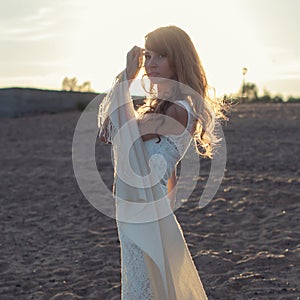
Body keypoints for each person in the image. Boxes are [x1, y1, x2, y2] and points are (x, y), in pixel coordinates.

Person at [98, 25, 226, 300]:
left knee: (147, 286)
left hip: (145, 209)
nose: (151, 64)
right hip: (142, 208)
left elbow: (118, 130)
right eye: (149, 56)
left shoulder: (178, 109)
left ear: (177, 59)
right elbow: (166, 167)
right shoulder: (163, 105)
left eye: (161, 56)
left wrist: (126, 78)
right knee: (143, 282)